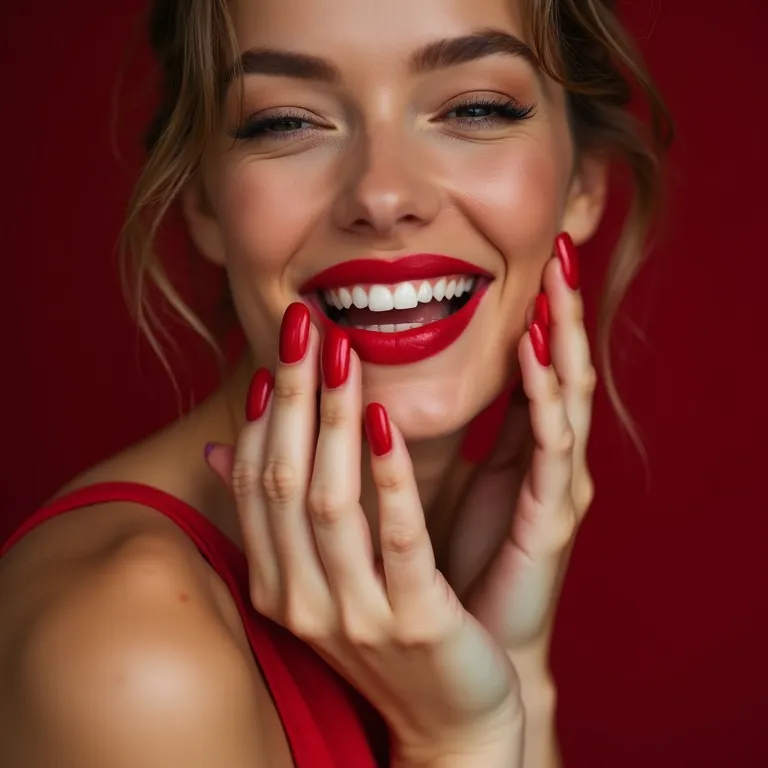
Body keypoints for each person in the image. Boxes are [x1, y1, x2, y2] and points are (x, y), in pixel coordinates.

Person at [0, 0, 671, 765]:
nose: (384, 198)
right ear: (203, 200)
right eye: (287, 122)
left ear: (584, 181)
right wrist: (461, 741)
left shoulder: (455, 590)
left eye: (474, 109)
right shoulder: (129, 658)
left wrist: (517, 665)